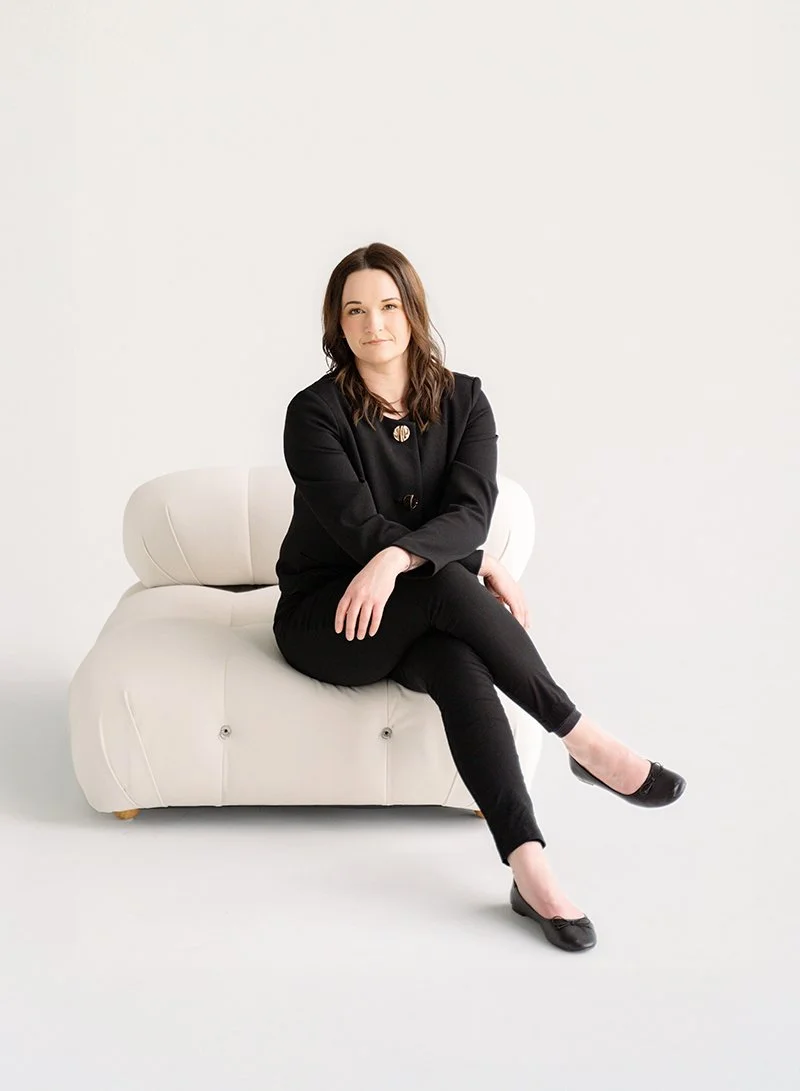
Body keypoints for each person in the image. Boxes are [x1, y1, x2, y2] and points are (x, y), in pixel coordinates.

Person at [272, 242, 686, 952]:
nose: (375, 324)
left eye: (389, 306)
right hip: (328, 614)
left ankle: (531, 867)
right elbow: (355, 524)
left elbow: (471, 511)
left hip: (416, 597)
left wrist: (422, 556)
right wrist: (449, 560)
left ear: (414, 310)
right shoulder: (313, 414)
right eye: (355, 310)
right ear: (336, 326)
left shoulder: (466, 400)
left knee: (457, 662)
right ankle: (581, 737)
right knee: (451, 588)